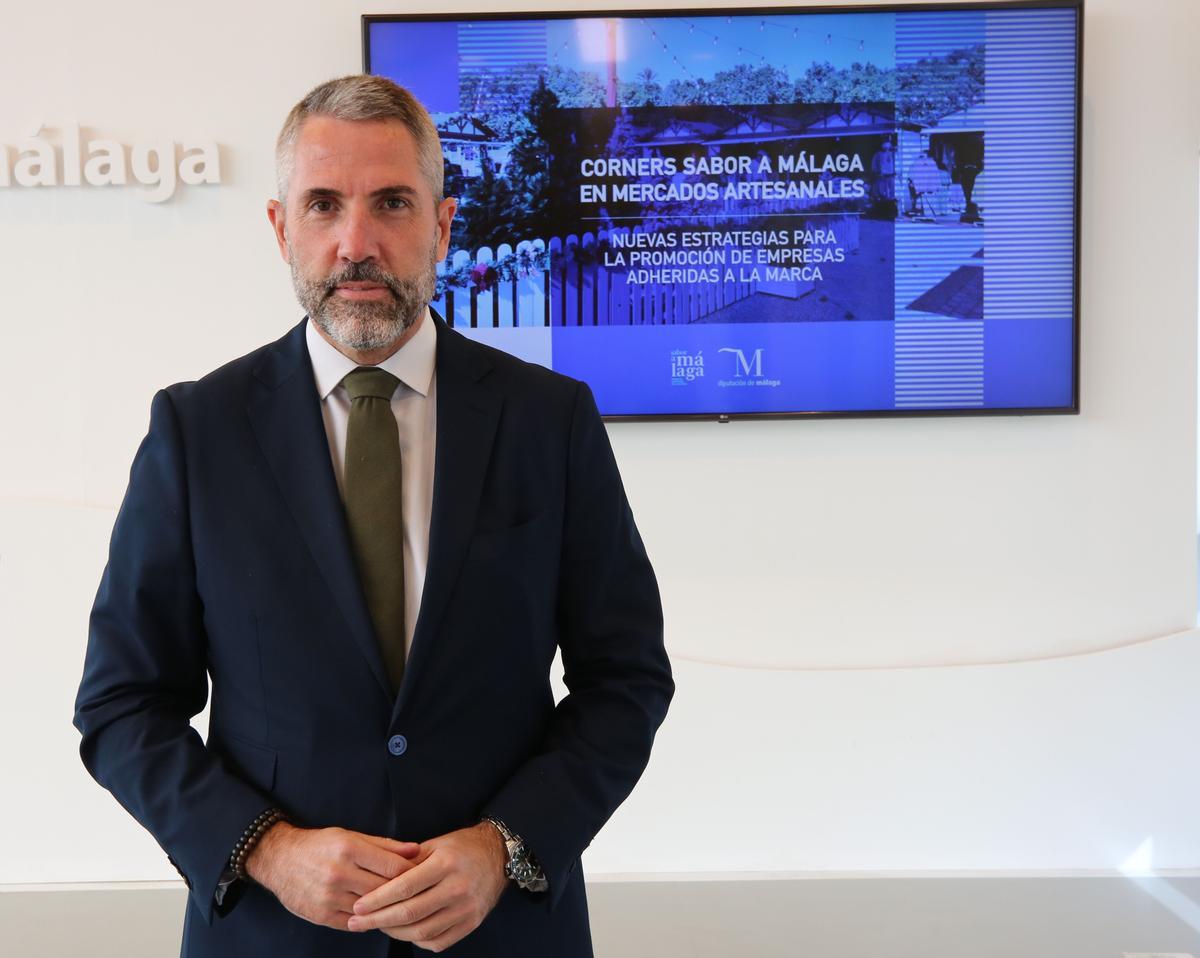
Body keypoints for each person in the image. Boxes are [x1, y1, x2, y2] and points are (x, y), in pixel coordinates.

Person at [73, 74, 673, 957]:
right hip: (272, 938)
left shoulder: (550, 422)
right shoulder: (198, 432)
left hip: (503, 934)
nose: (357, 243)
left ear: (441, 222)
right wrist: (265, 850)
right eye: (323, 205)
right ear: (282, 228)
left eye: (392, 202)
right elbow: (122, 705)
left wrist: (506, 847)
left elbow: (625, 681)